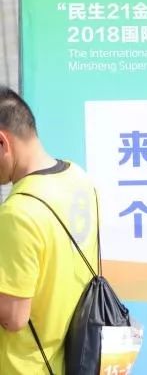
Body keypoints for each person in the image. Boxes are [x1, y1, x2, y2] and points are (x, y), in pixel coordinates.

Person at [0, 86, 99, 374]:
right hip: (77, 358)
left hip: (26, 365)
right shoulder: (79, 178)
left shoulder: (18, 213)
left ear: (3, 142)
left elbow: (14, 317)